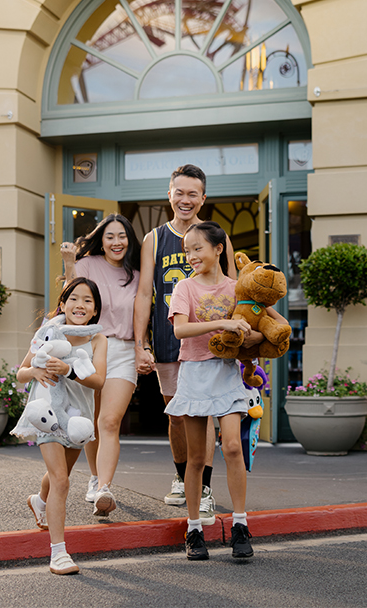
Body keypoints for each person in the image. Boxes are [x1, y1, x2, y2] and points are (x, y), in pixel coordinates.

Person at [133, 164, 236, 524]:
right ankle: (182, 476)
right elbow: (145, 292)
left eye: (193, 193)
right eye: (180, 192)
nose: (186, 199)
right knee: (177, 416)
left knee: (203, 416)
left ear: (203, 198)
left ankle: (204, 489)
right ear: (170, 195)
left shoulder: (216, 236)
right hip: (168, 338)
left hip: (210, 345)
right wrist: (139, 343)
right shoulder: (154, 239)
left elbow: (236, 287)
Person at [166, 221, 256, 560]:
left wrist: (255, 337)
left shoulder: (237, 288)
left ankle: (240, 526)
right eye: (186, 250)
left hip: (226, 373)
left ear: (218, 249)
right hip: (194, 373)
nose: (190, 256)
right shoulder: (184, 288)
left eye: (197, 248)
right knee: (197, 458)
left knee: (233, 447)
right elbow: (180, 330)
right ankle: (193, 529)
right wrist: (222, 322)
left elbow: (258, 324)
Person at [17, 278, 108, 575]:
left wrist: (69, 370)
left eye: (87, 301)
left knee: (61, 476)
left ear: (95, 310)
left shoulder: (98, 340)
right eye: (73, 299)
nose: (79, 305)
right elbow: (21, 373)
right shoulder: (48, 332)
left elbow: (99, 381)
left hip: (79, 419)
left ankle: (39, 500)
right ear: (63, 303)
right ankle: (58, 553)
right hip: (48, 412)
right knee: (62, 481)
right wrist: (36, 370)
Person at [58, 214, 140, 517]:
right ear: (101, 239)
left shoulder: (138, 273)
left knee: (109, 421)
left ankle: (104, 487)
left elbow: (143, 311)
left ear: (129, 240)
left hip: (124, 350)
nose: (116, 242)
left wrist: (144, 348)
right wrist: (70, 262)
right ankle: (94, 477)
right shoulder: (88, 264)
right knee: (91, 422)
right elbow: (71, 296)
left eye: (122, 236)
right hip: (90, 348)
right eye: (110, 236)